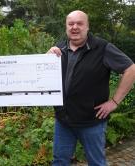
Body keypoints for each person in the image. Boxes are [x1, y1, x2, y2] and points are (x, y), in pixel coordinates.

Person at [47, 10, 135, 165]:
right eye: (71, 24)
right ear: (66, 27)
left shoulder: (103, 48)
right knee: (59, 161)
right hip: (63, 121)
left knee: (96, 162)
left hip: (92, 121)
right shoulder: (59, 49)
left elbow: (131, 69)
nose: (75, 27)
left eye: (79, 23)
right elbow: (43, 78)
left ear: (87, 27)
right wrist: (46, 59)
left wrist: (114, 102)